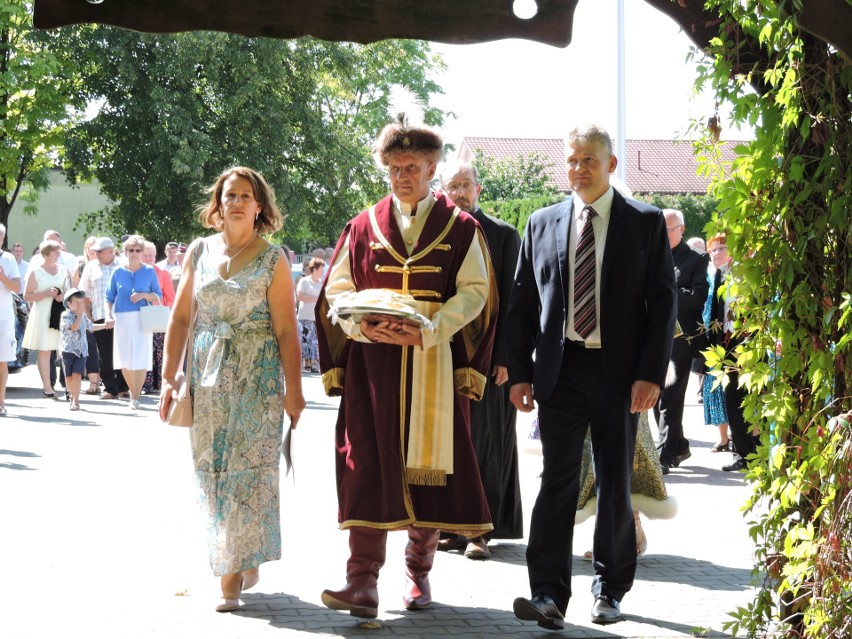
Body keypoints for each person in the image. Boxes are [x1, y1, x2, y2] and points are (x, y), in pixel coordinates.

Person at [315, 115, 497, 619]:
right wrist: (359, 326)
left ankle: (417, 576)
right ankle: (362, 583)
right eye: (393, 167)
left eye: (411, 166)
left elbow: (477, 294)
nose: (401, 176)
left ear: (432, 167)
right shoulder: (362, 225)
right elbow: (337, 290)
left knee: (428, 471)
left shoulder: (462, 229)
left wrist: (431, 329)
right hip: (372, 369)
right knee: (365, 467)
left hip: (432, 365)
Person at [507, 124, 676, 628]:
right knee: (556, 482)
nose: (579, 169)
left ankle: (610, 590)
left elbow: (663, 305)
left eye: (590, 160)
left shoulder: (643, 224)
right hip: (560, 371)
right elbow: (521, 306)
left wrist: (650, 373)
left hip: (620, 375)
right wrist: (519, 374)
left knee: (616, 483)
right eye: (573, 159)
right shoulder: (542, 223)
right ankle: (548, 595)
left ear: (611, 166)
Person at [158, 166, 305, 613]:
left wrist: (294, 390)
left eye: (245, 196)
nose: (237, 202)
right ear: (218, 205)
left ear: (259, 205)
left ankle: (231, 575)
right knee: (212, 472)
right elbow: (182, 317)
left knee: (251, 473)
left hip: (257, 381)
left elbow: (285, 330)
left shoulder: (274, 258)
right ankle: (240, 556)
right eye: (229, 196)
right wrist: (169, 376)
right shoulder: (198, 251)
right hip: (206, 379)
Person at [438, 159, 523, 560]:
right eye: (451, 186)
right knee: (452, 441)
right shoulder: (435, 233)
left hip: (490, 357)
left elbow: (515, 302)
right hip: (443, 352)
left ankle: (480, 531)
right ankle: (453, 525)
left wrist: (507, 356)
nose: (459, 193)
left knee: (488, 442)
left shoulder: (503, 235)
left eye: (465, 185)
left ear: (479, 189)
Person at [576, 411, 678, 558]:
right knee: (593, 454)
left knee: (632, 449)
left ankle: (630, 525)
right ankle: (608, 534)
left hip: (630, 394)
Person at [654, 209, 710, 474]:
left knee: (671, 398)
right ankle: (679, 446)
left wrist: (666, 295)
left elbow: (698, 296)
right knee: (653, 396)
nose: (663, 234)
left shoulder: (697, 258)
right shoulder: (652, 254)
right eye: (660, 229)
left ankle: (664, 456)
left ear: (682, 229)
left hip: (681, 338)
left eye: (668, 229)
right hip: (653, 337)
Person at [704, 234, 754, 471]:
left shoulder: (744, 274)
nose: (717, 253)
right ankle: (742, 453)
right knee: (732, 398)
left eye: (722, 248)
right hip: (726, 342)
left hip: (747, 340)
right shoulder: (716, 275)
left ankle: (753, 451)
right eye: (713, 250)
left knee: (748, 397)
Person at [104, 234, 162, 410]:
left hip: (142, 317)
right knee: (124, 358)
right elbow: (109, 297)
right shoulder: (118, 272)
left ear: (142, 252)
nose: (135, 253)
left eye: (138, 250)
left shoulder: (149, 271)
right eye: (131, 250)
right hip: (122, 317)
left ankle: (135, 396)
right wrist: (108, 315)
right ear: (125, 251)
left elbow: (158, 296)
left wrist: (143, 295)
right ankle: (132, 392)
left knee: (141, 356)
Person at [22, 239, 72, 398]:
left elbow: (71, 292)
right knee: (44, 351)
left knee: (64, 350)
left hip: (60, 314)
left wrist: (63, 296)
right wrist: (45, 294)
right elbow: (26, 296)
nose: (58, 254)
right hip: (43, 314)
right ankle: (47, 387)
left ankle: (70, 387)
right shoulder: (35, 272)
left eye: (58, 251)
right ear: (46, 254)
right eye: (55, 252)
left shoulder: (64, 270)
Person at [79, 237, 127, 400]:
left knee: (123, 351)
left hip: (123, 316)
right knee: (105, 354)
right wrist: (88, 315)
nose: (96, 254)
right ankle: (110, 388)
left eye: (100, 251)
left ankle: (123, 387)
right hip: (100, 316)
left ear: (110, 251)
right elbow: (84, 293)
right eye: (95, 251)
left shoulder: (123, 265)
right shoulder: (91, 267)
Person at [141, 241, 176, 394]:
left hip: (157, 317)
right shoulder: (136, 273)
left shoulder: (163, 273)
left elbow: (170, 297)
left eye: (151, 255)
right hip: (141, 317)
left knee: (159, 351)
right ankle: (144, 384)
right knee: (144, 351)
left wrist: (164, 309)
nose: (148, 258)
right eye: (145, 255)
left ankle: (158, 383)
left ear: (156, 256)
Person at [59, 288, 101, 411]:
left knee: (77, 374)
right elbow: (74, 327)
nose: (80, 305)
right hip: (68, 351)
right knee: (69, 377)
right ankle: (71, 396)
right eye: (77, 303)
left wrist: (106, 325)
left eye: (81, 302)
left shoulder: (81, 316)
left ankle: (75, 400)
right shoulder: (65, 315)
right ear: (69, 303)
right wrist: (79, 315)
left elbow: (91, 326)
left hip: (81, 351)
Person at [0, 224, 21, 416]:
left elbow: (16, 287)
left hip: (4, 317)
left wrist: (1, 276)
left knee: (2, 361)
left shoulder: (8, 259)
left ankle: (1, 402)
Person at [296, 257, 324, 372]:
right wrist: (315, 299)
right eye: (321, 269)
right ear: (315, 269)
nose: (322, 271)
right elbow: (300, 296)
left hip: (317, 316)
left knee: (315, 341)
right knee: (306, 340)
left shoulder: (322, 283)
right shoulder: (304, 281)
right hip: (305, 316)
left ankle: (314, 363)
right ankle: (306, 362)